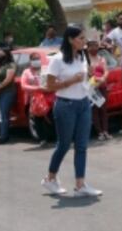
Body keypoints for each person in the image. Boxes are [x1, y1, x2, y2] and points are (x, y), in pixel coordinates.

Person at [41, 24, 102, 197]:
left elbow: (84, 79)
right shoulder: (57, 59)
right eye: (81, 38)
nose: (84, 41)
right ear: (70, 39)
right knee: (64, 145)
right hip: (65, 105)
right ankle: (50, 178)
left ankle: (80, 185)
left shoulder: (82, 57)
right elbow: (49, 85)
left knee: (82, 146)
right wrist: (71, 81)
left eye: (84, 38)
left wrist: (90, 77)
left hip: (83, 104)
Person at [21, 52, 53, 144]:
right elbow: (23, 85)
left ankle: (53, 136)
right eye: (34, 59)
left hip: (48, 97)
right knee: (38, 118)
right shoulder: (26, 72)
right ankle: (42, 138)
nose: (36, 61)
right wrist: (37, 88)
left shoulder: (45, 69)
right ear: (30, 61)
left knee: (51, 117)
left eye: (37, 58)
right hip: (35, 99)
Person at [86, 39, 112, 140]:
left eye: (96, 46)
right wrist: (95, 80)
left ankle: (106, 131)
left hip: (102, 86)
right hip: (92, 87)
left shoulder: (102, 58)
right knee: (94, 110)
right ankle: (99, 132)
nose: (94, 48)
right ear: (87, 48)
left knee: (104, 109)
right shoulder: (86, 60)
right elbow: (87, 73)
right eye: (91, 46)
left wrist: (103, 79)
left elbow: (106, 71)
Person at [0, 48, 17, 145]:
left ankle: (3, 136)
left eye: (1, 52)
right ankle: (2, 134)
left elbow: (8, 79)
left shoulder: (11, 65)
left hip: (8, 92)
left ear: (7, 53)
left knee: (4, 114)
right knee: (0, 114)